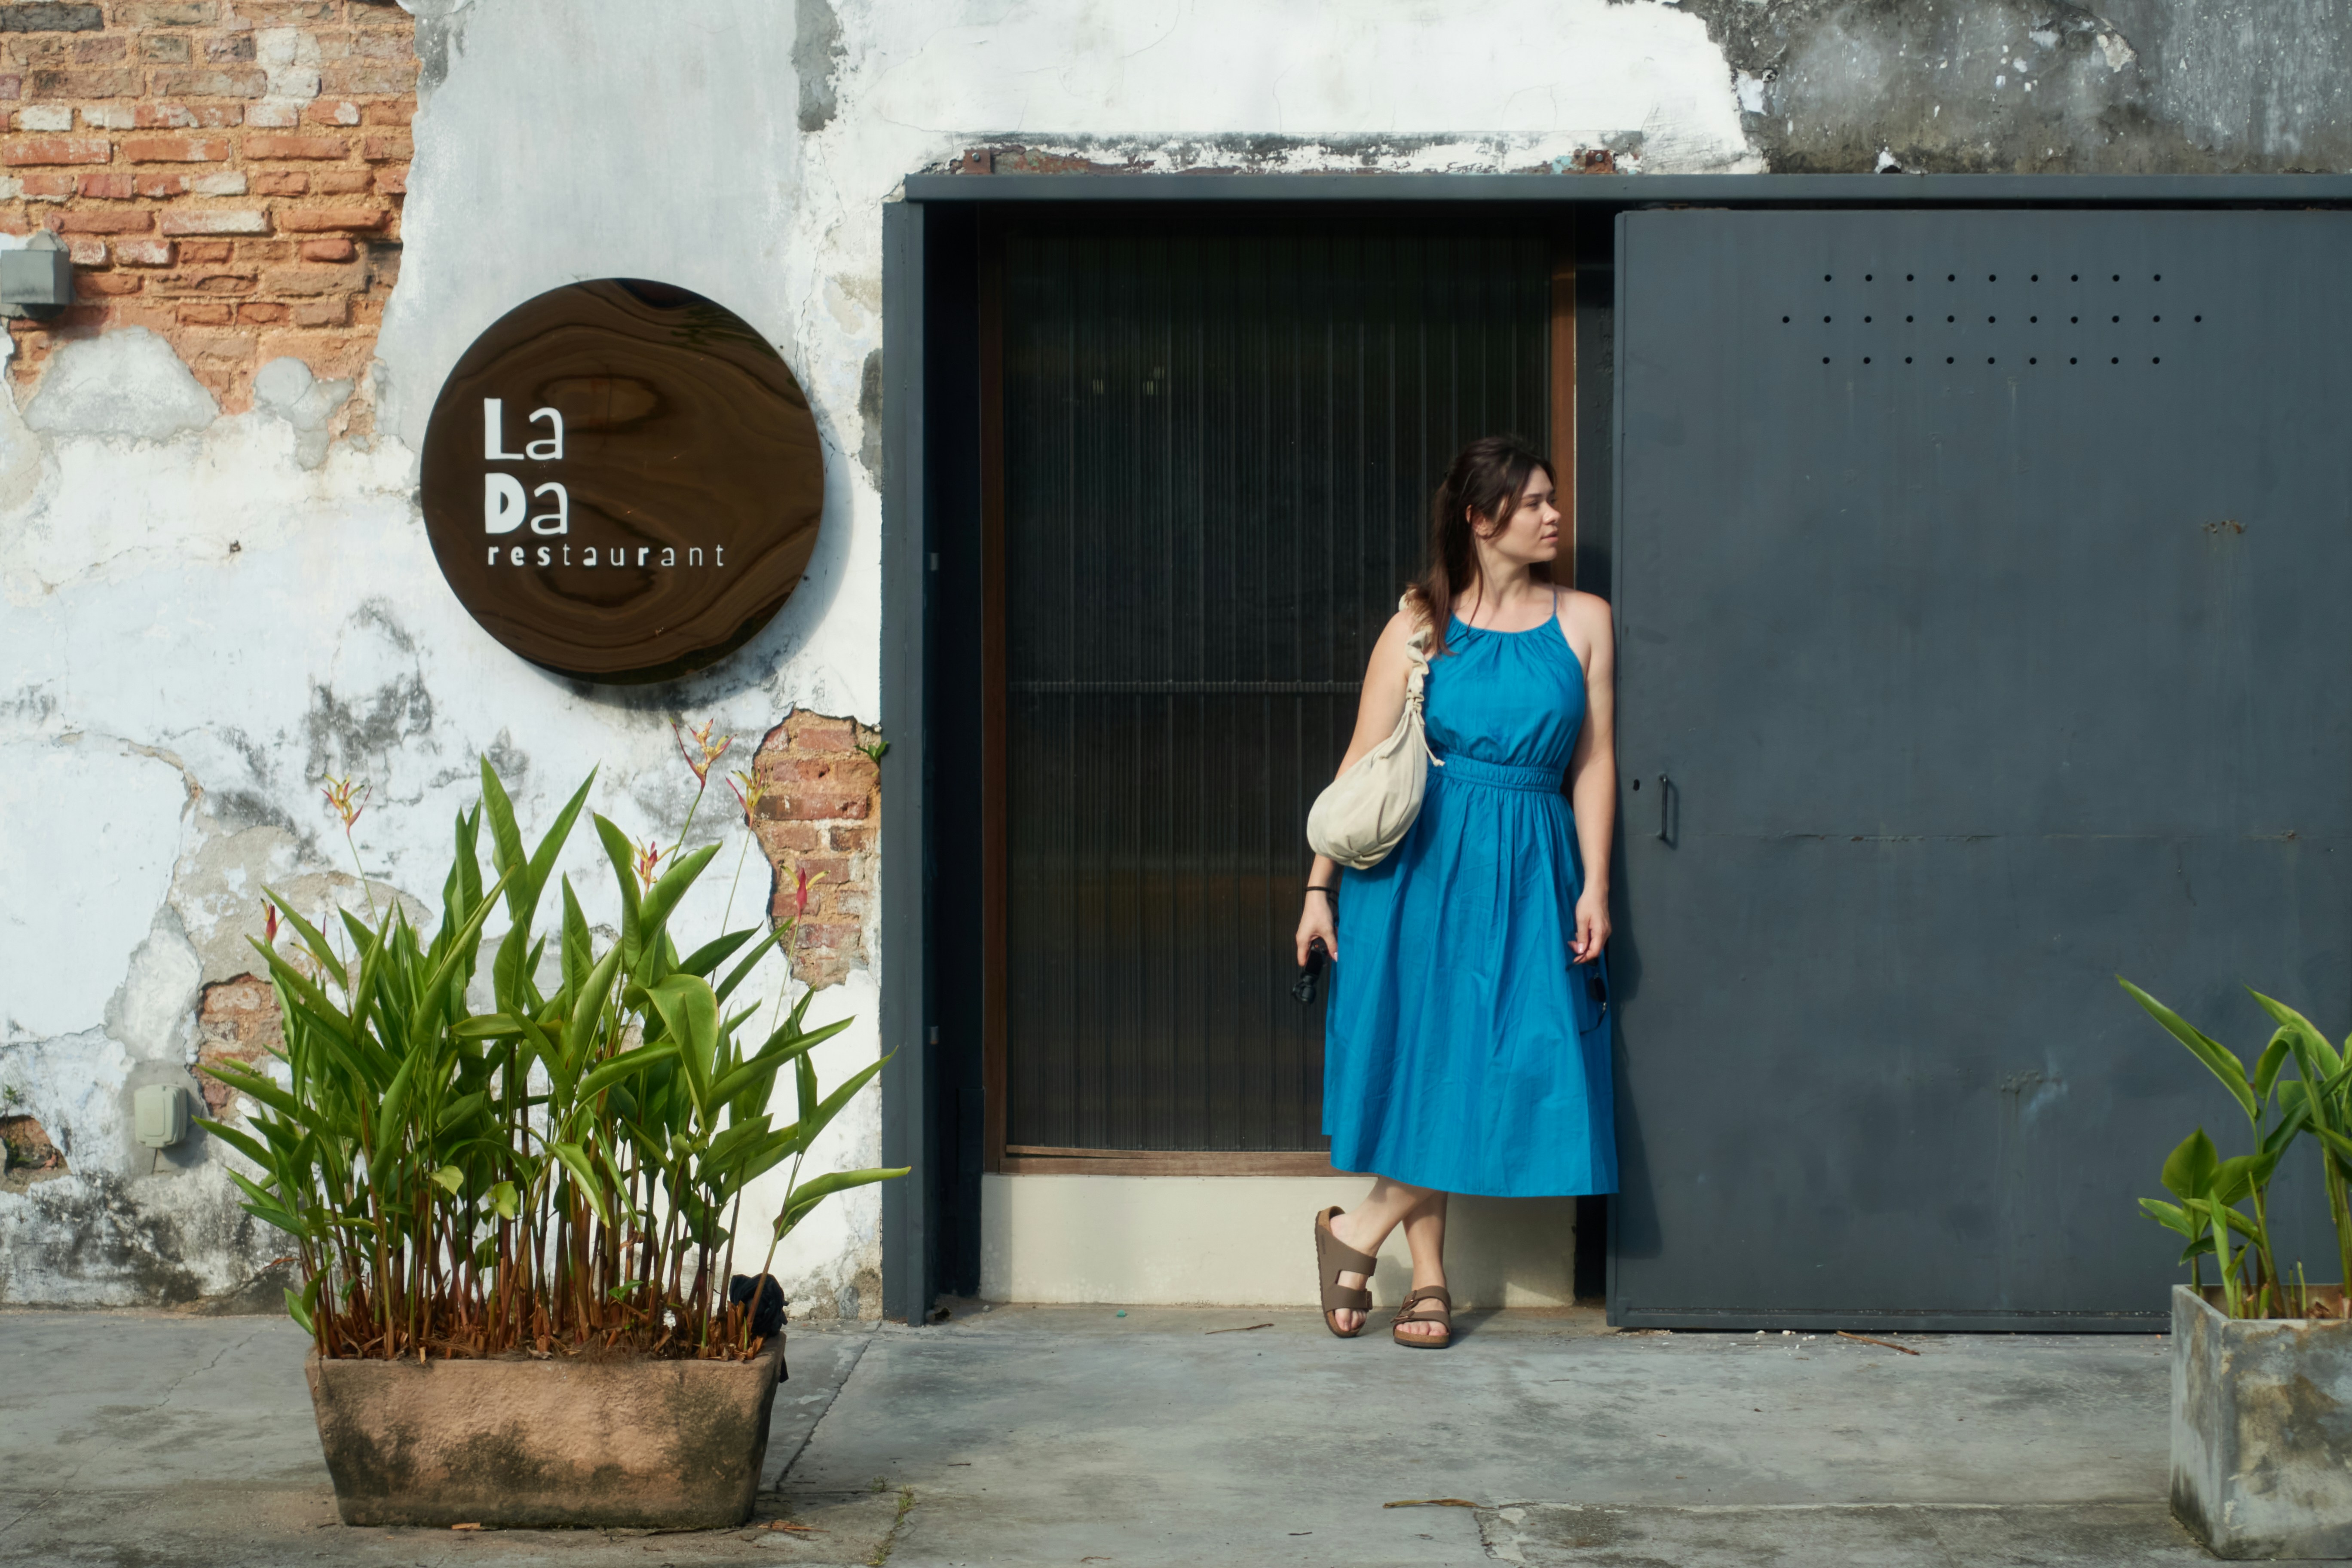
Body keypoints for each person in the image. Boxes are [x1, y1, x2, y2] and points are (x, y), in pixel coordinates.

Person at [1297, 434, 1618, 1348]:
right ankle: (1428, 1279)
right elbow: (1361, 765)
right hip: (1419, 869)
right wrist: (1319, 888)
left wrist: (1595, 882)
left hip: (1533, 863)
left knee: (1504, 1059)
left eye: (1554, 498)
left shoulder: (1586, 620)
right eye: (1532, 503)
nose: (1554, 515)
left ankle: (1353, 1232)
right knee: (1424, 1059)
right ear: (1480, 521)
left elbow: (1594, 763)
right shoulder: (1417, 625)